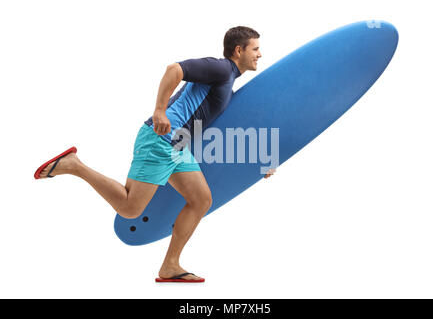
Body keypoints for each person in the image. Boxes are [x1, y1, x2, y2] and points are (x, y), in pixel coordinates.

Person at [34, 26, 275, 283]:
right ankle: (74, 165)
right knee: (129, 208)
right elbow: (174, 69)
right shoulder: (221, 68)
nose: (260, 54)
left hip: (177, 146)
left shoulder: (227, 82)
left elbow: (221, 131)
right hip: (161, 138)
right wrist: (160, 110)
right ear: (239, 50)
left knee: (201, 199)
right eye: (256, 48)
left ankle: (170, 266)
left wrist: (256, 166)